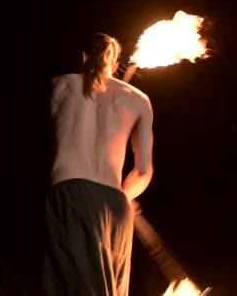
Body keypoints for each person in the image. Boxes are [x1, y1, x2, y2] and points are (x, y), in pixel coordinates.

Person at [42, 33, 154, 296]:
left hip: (71, 194)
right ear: (115, 66)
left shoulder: (58, 85)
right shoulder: (140, 99)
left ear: (82, 58)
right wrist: (125, 196)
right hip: (116, 206)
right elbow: (143, 171)